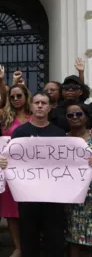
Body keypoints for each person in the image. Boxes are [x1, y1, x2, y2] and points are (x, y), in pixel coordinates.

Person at [0, 91, 67, 257]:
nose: (40, 106)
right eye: (36, 103)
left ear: (50, 107)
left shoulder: (59, 133)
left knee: (55, 238)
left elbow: (67, 162)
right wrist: (4, 163)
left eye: (44, 103)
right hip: (28, 196)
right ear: (31, 106)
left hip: (53, 196)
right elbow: (12, 160)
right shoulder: (20, 132)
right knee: (29, 238)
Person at [0, 65, 32, 257]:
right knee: (11, 211)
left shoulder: (35, 116)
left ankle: (30, 245)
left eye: (19, 96)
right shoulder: (5, 117)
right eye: (12, 97)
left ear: (26, 97)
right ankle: (17, 247)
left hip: (31, 172)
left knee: (28, 210)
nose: (15, 99)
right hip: (9, 171)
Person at [65, 102, 92, 257]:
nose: (74, 117)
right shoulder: (61, 141)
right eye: (70, 115)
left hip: (90, 196)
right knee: (73, 236)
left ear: (86, 116)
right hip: (72, 197)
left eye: (79, 114)